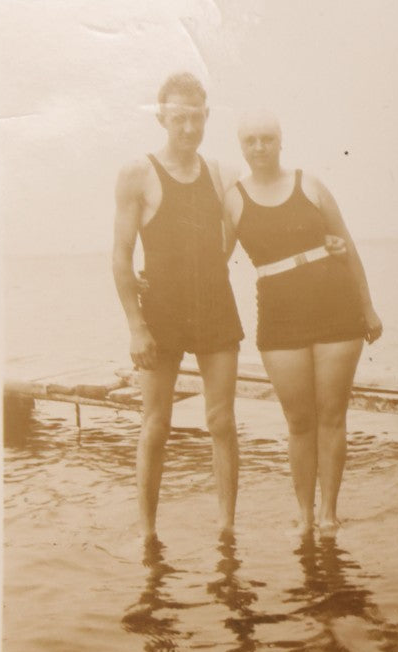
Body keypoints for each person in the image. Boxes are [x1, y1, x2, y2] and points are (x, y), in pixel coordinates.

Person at [224, 112, 383, 535]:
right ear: (242, 147)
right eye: (251, 141)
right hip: (279, 316)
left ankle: (329, 514)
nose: (260, 147)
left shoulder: (309, 184)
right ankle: (304, 516)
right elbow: (213, 262)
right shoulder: (233, 199)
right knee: (298, 421)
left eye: (268, 139)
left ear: (281, 142)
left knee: (332, 416)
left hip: (335, 307)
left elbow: (346, 246)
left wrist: (367, 308)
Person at [112, 73, 243, 541]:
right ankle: (148, 532)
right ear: (162, 117)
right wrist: (135, 326)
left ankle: (226, 529)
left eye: (196, 117)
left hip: (214, 306)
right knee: (156, 423)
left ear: (207, 116)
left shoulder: (222, 174)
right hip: (161, 312)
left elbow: (246, 228)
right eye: (179, 118)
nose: (188, 128)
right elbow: (121, 254)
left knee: (222, 420)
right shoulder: (138, 173)